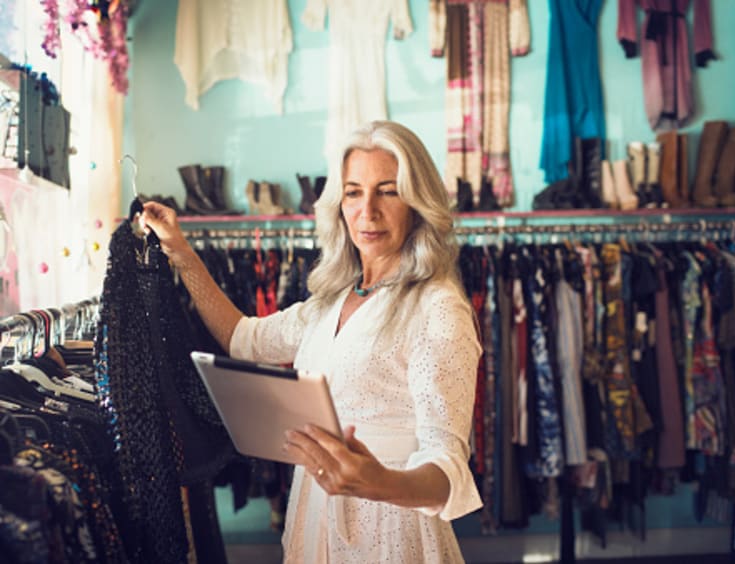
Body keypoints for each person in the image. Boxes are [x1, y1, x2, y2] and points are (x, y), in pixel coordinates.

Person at [141, 120, 482, 562]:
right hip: (315, 512)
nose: (368, 211)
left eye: (389, 190)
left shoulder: (438, 307)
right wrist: (182, 253)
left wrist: (377, 481)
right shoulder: (331, 301)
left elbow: (448, 467)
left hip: (391, 529)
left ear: (418, 203)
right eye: (354, 191)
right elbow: (244, 339)